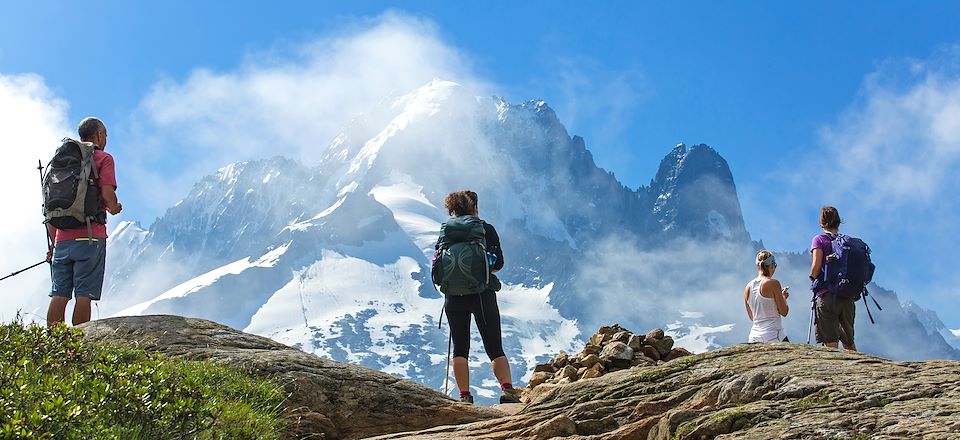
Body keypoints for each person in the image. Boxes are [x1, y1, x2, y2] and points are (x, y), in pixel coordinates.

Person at [436, 190, 520, 404]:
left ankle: (464, 396)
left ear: (451, 210)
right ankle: (507, 391)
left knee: (460, 347)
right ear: (475, 208)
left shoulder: (446, 232)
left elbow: (438, 264)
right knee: (494, 346)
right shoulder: (485, 229)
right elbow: (498, 263)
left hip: (453, 296)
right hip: (482, 295)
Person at [46, 117, 122, 326]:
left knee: (59, 294)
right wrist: (114, 208)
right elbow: (107, 195)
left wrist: (55, 243)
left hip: (61, 239)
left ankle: (54, 346)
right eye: (105, 134)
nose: (106, 138)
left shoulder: (62, 161)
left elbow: (50, 208)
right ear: (98, 135)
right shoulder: (103, 158)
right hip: (90, 236)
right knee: (84, 294)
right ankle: (77, 348)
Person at [809, 206, 857, 351]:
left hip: (827, 296)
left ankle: (834, 374)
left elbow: (816, 266)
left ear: (821, 222)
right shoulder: (847, 242)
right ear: (838, 222)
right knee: (849, 342)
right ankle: (854, 372)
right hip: (847, 297)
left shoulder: (819, 240)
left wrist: (812, 277)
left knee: (830, 343)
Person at [743, 250, 790, 342]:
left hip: (753, 337)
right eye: (775, 266)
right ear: (772, 265)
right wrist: (783, 297)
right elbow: (784, 312)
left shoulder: (747, 287)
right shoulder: (773, 283)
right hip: (773, 335)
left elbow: (752, 317)